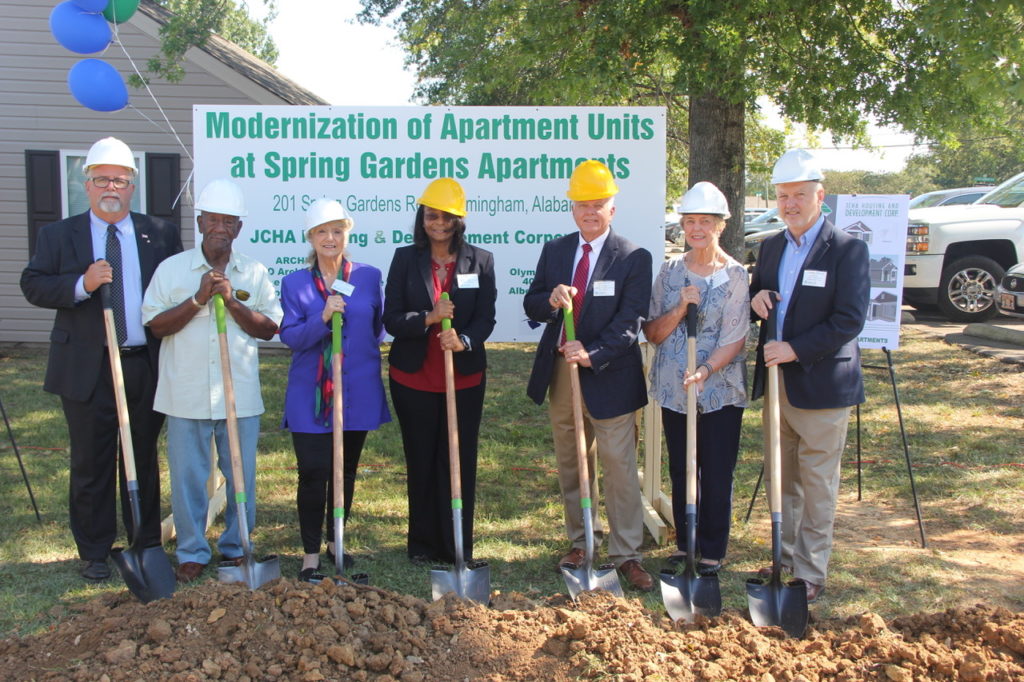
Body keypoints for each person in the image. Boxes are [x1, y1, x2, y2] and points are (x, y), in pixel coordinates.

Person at [20, 137, 182, 582]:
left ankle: (146, 542)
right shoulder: (58, 234)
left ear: (133, 186)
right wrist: (81, 283)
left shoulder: (161, 233)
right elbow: (32, 284)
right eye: (102, 179)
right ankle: (93, 550)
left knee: (143, 456)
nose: (111, 186)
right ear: (86, 185)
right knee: (91, 459)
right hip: (87, 366)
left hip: (142, 362)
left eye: (121, 179)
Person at [141, 178, 282, 583]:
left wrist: (232, 302)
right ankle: (191, 550)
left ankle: (237, 547)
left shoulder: (253, 271)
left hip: (238, 396)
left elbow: (269, 327)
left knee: (241, 475)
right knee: (187, 478)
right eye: (213, 219)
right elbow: (155, 325)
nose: (220, 227)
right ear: (200, 222)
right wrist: (199, 299)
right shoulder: (172, 270)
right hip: (184, 393)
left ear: (239, 227)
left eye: (229, 221)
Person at [523, 160, 655, 592]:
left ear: (612, 209)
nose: (590, 212)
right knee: (572, 461)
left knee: (618, 466)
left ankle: (627, 553)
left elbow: (629, 324)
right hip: (563, 374)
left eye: (598, 204)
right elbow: (532, 304)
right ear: (572, 209)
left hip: (610, 375)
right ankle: (582, 541)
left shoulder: (634, 257)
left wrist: (592, 352)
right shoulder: (556, 251)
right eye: (583, 205)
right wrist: (551, 298)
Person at [749, 149, 870, 603]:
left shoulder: (847, 249)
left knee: (818, 482)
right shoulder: (772, 246)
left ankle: (811, 569)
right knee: (784, 477)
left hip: (822, 384)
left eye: (800, 195)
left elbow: (849, 320)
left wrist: (796, 349)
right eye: (783, 196)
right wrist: (755, 297)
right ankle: (784, 557)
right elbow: (759, 299)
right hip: (778, 383)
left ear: (820, 196)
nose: (790, 204)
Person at [383, 178, 496, 565]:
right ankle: (423, 544)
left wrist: (463, 339)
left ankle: (456, 545)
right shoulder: (404, 259)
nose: (440, 223)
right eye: (433, 215)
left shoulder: (480, 260)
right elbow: (392, 318)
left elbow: (486, 318)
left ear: (459, 220)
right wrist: (429, 318)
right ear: (422, 217)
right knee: (421, 459)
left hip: (463, 378)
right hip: (413, 378)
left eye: (448, 217)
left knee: (459, 459)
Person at [279, 199, 391, 581]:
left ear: (347, 233)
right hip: (309, 392)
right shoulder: (294, 283)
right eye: (322, 231)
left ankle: (336, 539)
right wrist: (323, 318)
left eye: (337, 230)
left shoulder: (369, 276)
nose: (330, 238)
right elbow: (292, 338)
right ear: (311, 237)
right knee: (313, 471)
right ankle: (310, 553)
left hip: (357, 387)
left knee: (345, 470)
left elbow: (375, 327)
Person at [644, 182, 749, 575]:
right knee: (681, 467)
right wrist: (680, 306)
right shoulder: (670, 271)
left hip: (719, 388)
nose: (697, 229)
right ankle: (685, 542)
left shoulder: (736, 275)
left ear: (720, 226)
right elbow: (652, 333)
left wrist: (705, 370)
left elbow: (735, 337)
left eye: (705, 221)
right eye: (690, 222)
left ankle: (712, 548)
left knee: (716, 469)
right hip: (675, 387)